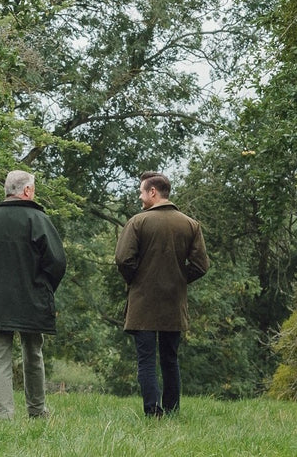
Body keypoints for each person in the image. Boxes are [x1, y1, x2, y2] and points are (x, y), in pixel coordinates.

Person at [0, 170, 67, 420]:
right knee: (34, 354)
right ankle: (37, 411)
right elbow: (57, 262)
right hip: (33, 300)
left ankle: (3, 417)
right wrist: (43, 288)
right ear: (28, 191)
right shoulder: (39, 219)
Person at [115, 170, 210, 418]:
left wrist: (135, 280)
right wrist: (179, 279)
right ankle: (172, 410)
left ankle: (152, 411)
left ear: (153, 192)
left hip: (143, 302)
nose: (139, 197)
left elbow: (123, 259)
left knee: (146, 360)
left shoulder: (138, 222)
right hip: (173, 302)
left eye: (141, 191)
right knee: (170, 359)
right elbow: (202, 265)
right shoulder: (190, 224)